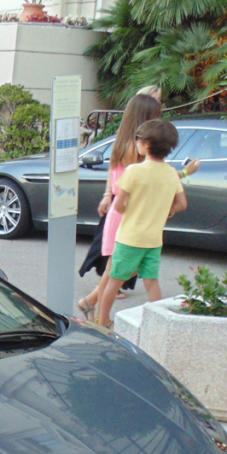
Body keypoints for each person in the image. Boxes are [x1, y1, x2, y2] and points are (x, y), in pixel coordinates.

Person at [95, 119, 187, 329]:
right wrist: (165, 211)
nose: (136, 143)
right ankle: (159, 323)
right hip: (154, 240)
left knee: (114, 281)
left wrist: (132, 210)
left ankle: (102, 321)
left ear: (146, 145)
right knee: (151, 282)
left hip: (130, 237)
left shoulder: (134, 171)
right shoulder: (171, 173)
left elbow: (118, 205)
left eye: (138, 140)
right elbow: (182, 203)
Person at [76, 94, 161, 316]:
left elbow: (115, 179)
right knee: (122, 268)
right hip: (130, 212)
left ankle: (91, 302)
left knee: (121, 267)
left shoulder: (121, 143)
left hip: (120, 209)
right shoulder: (138, 149)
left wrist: (107, 195)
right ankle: (100, 314)